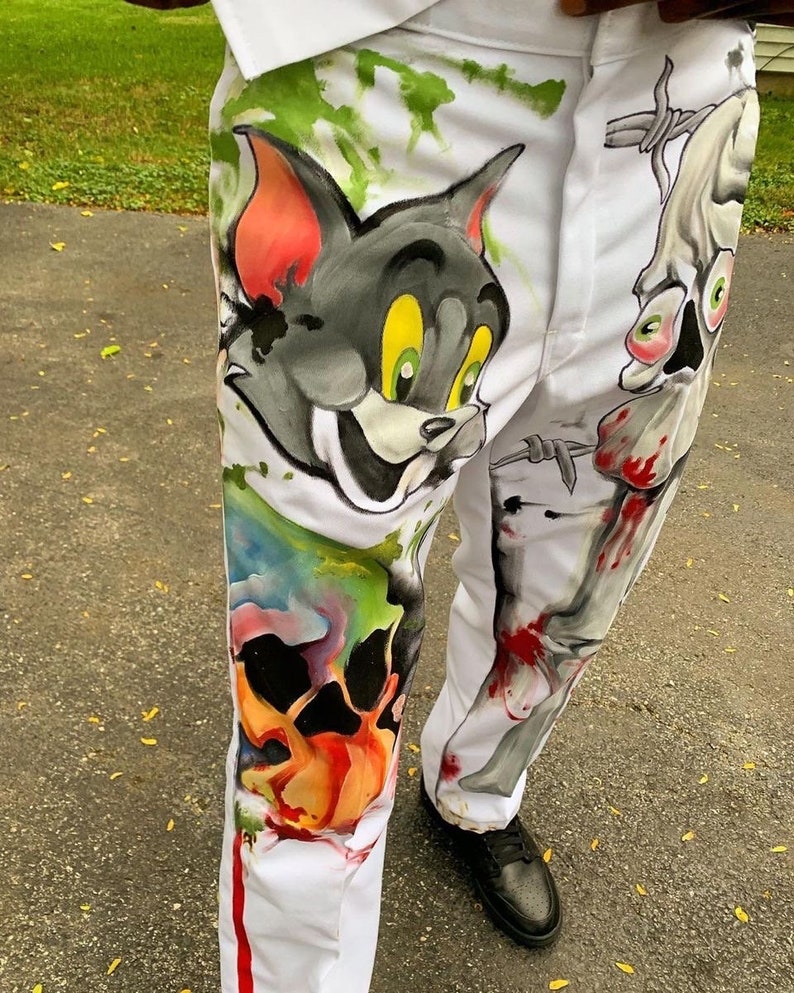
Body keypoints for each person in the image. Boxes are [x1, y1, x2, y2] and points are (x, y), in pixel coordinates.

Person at [124, 2, 792, 991]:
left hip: (681, 125)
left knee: (570, 581)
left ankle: (474, 789)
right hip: (385, 86)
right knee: (314, 703)